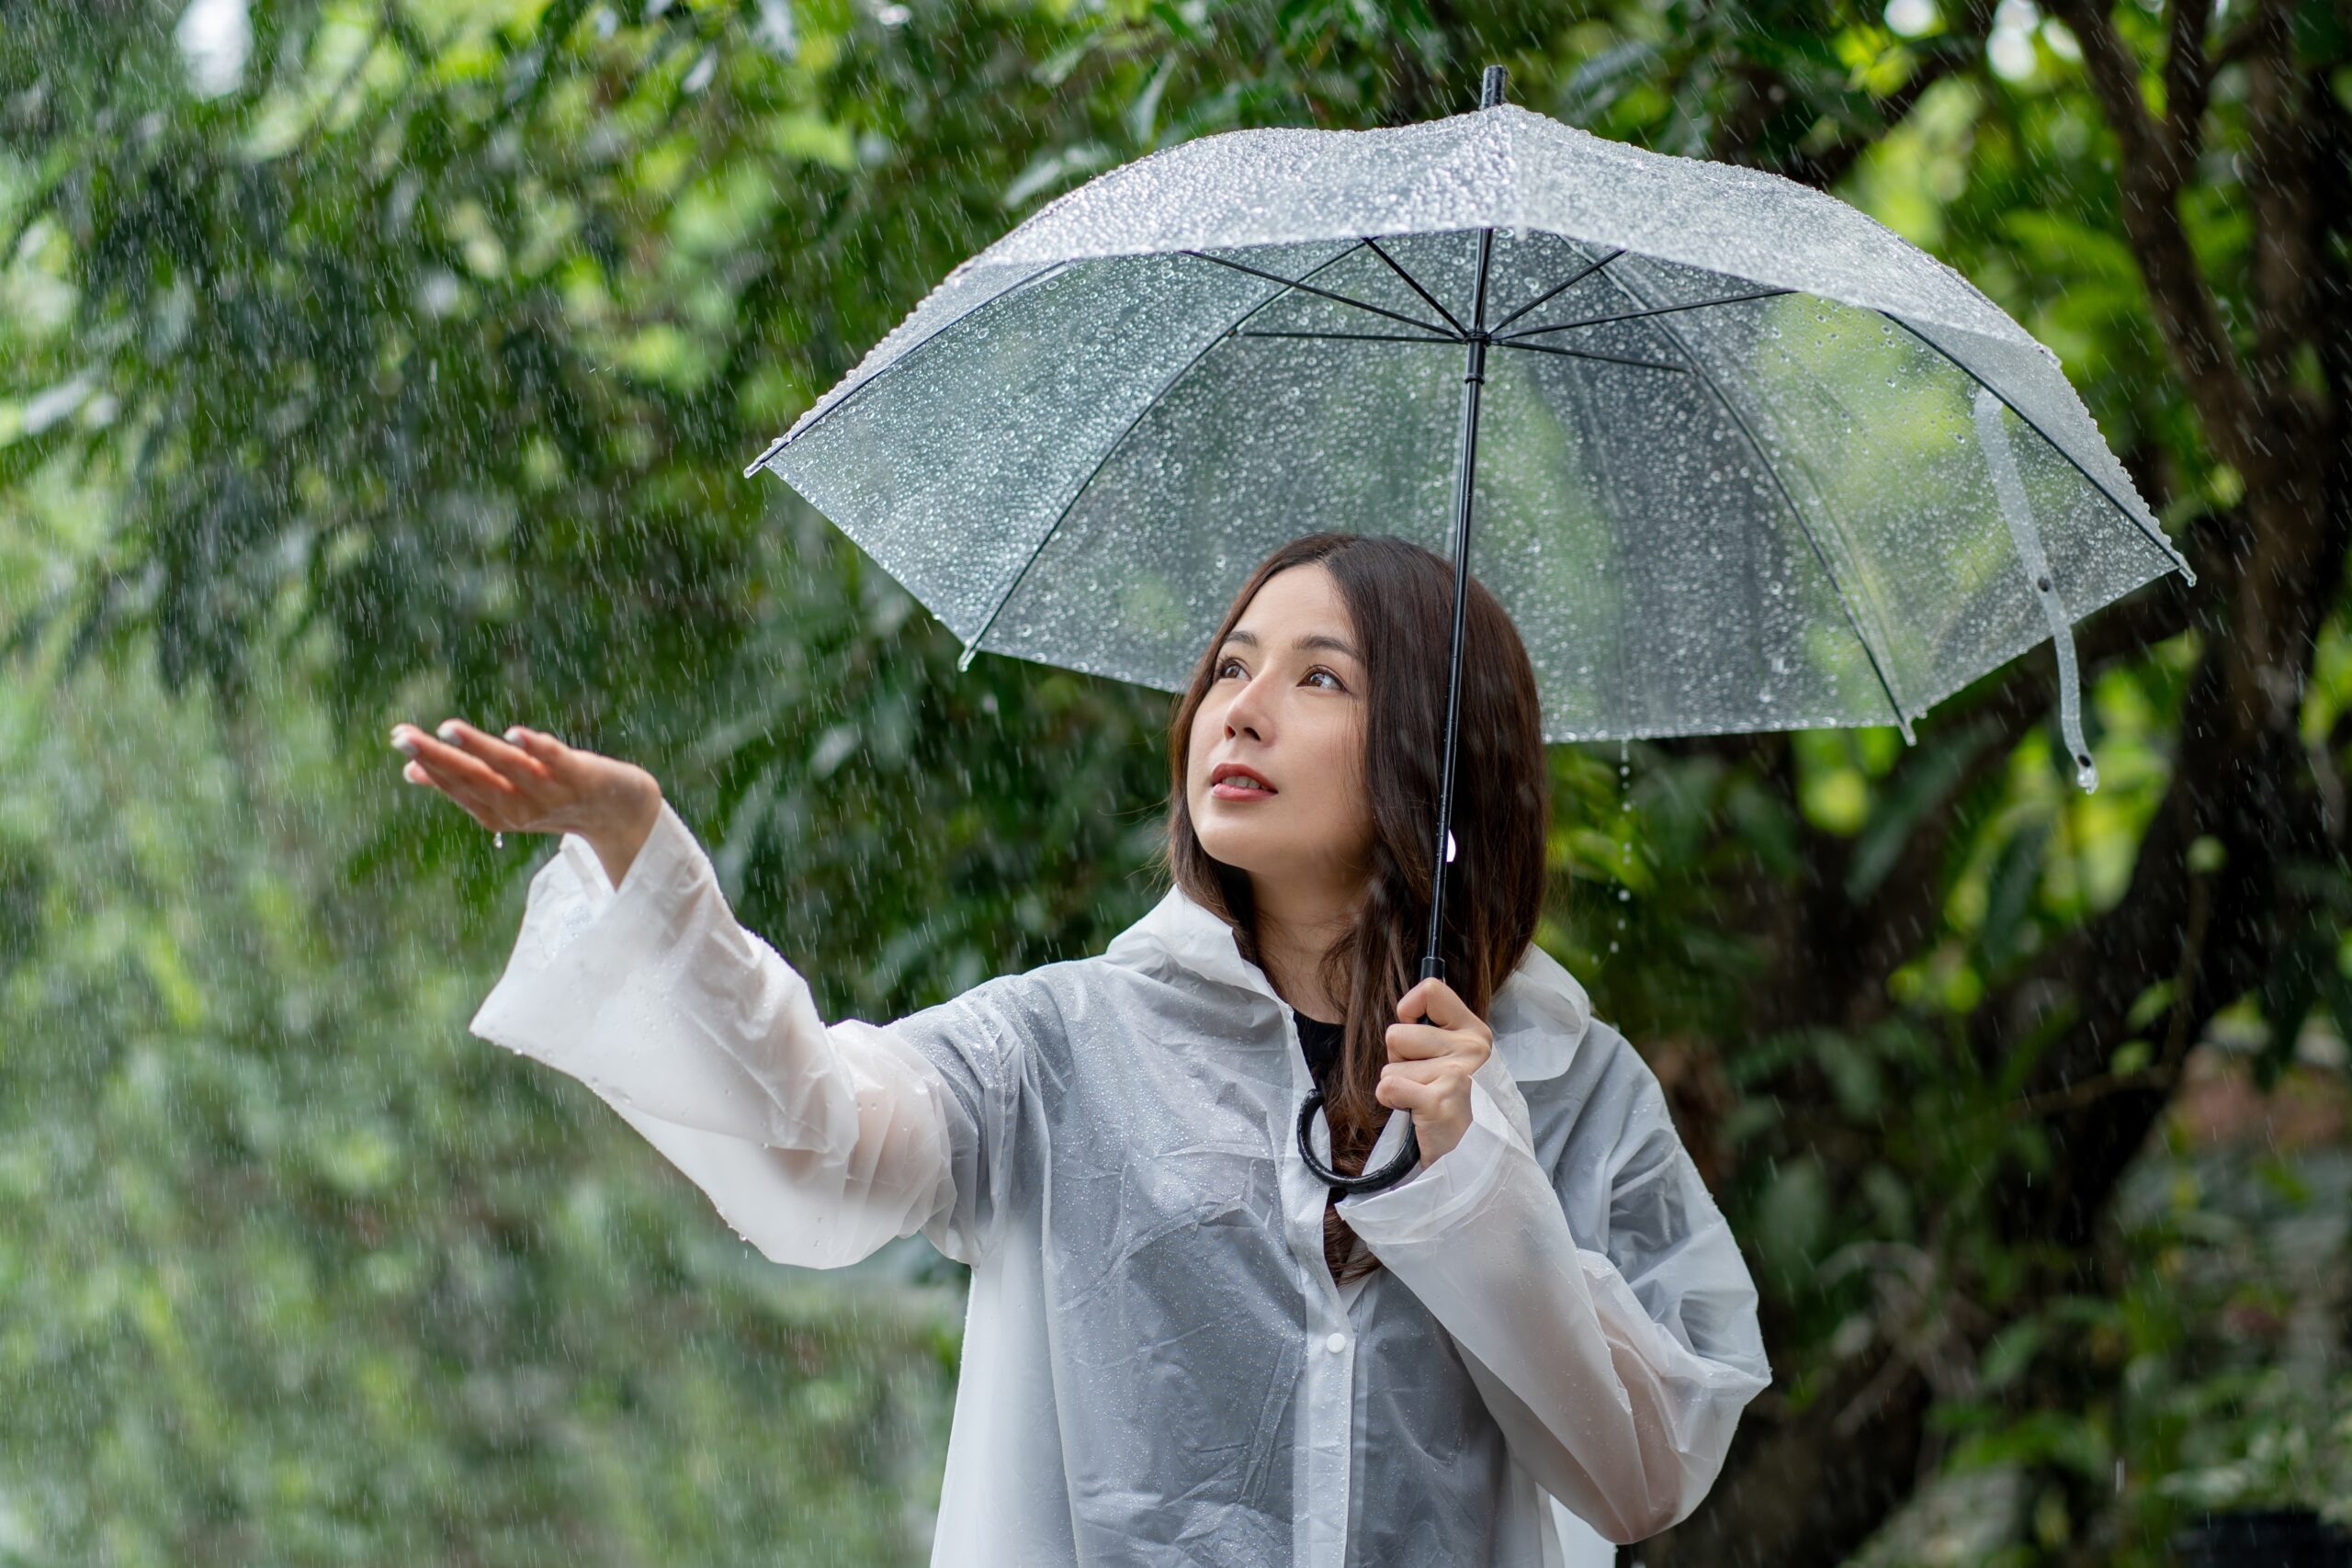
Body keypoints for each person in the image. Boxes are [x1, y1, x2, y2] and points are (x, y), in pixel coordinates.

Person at [390, 530, 1771, 1565]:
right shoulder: (1061, 1044)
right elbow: (811, 1139)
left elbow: (1638, 1475)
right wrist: (650, 869)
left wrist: (1482, 1176)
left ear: (1433, 750)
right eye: (1232, 666)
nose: (1242, 707)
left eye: (1321, 678)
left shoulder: (1565, 1085)